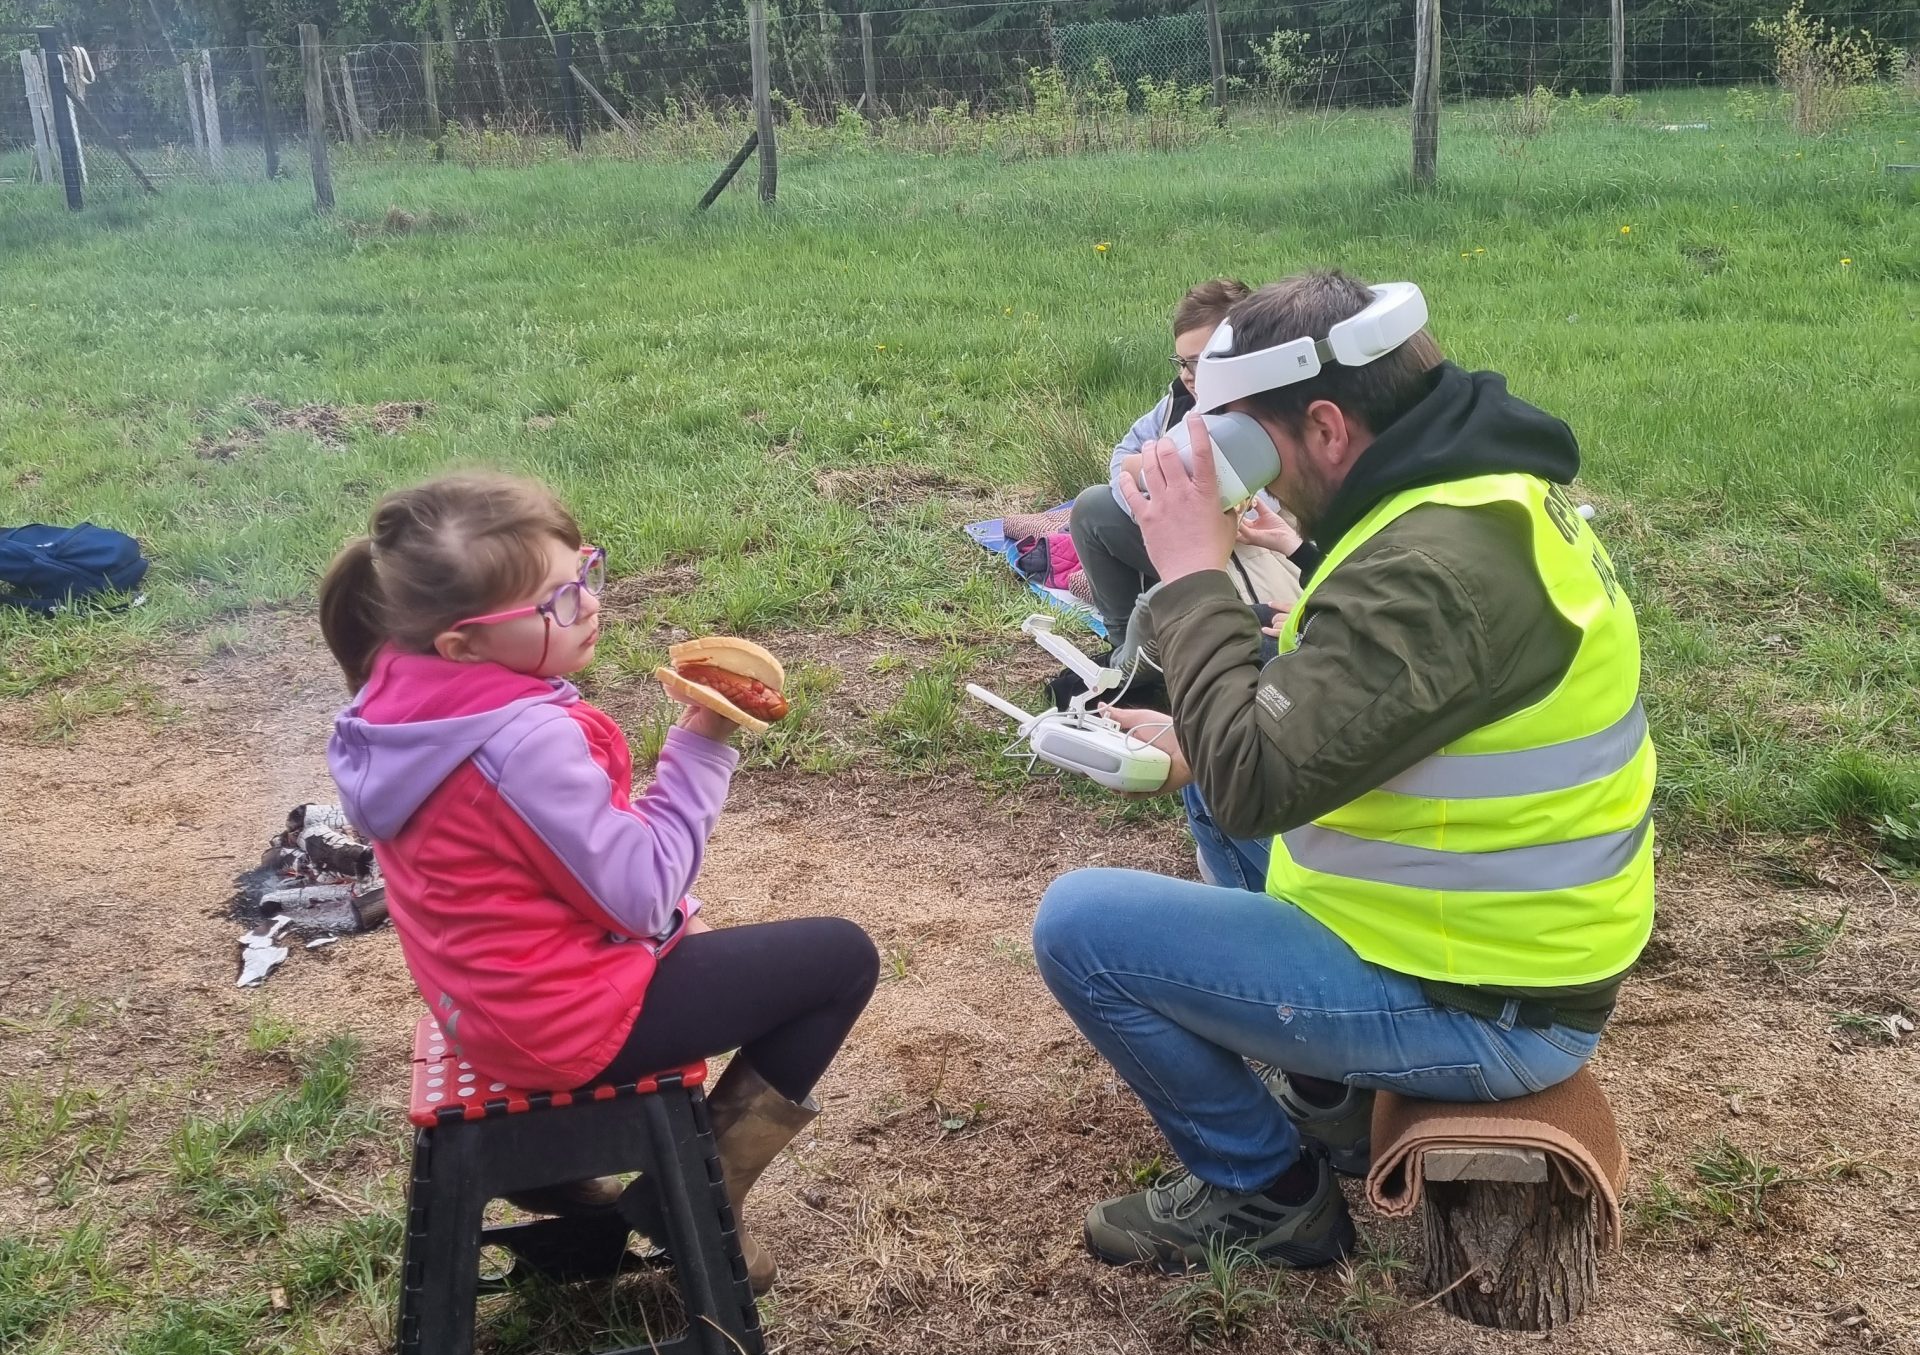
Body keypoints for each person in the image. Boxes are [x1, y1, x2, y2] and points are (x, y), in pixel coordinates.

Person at [1032, 271, 1655, 1273]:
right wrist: (1198, 737)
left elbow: (1255, 780)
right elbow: (1363, 700)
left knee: (1080, 927)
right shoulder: (1471, 498)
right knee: (1215, 763)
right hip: (1488, 942)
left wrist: (1193, 571)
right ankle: (1333, 1098)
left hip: (1487, 1003)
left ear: (1327, 427)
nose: (1251, 483)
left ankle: (1265, 1195)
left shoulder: (1434, 570)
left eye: (1249, 446)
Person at [321, 472, 878, 1292]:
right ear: (463, 642)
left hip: (486, 1006)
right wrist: (704, 742)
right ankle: (696, 1200)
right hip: (557, 1025)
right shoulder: (520, 745)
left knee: (736, 947)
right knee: (841, 960)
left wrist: (669, 915)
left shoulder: (403, 702)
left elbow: (537, 872)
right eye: (554, 600)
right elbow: (643, 893)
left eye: (583, 571)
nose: (586, 603)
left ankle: (557, 1172)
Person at [1065, 277, 1303, 690]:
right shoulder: (1180, 403)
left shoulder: (1265, 416)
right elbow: (1122, 461)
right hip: (1186, 540)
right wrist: (1154, 493)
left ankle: (1142, 667)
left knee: (1164, 609)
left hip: (1252, 565)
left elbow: (1240, 510)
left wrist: (1159, 476)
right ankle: (1122, 648)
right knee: (1093, 508)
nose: (1187, 375)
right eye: (1181, 362)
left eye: (1199, 362)